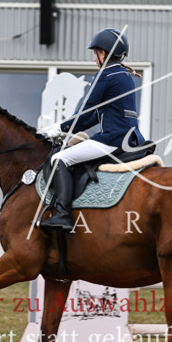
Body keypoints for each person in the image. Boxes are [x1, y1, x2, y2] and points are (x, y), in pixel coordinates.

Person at [38, 28, 145, 232]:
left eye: (95, 53)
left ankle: (62, 214)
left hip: (112, 139)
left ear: (102, 53)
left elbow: (86, 112)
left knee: (59, 159)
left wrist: (62, 127)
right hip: (132, 138)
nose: (95, 58)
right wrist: (66, 129)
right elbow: (98, 115)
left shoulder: (105, 74)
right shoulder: (124, 75)